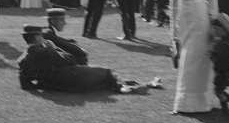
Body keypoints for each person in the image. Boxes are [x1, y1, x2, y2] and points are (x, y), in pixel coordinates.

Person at [169, 0, 219, 115]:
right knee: (185, 56)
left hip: (201, 17)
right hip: (184, 16)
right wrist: (173, 30)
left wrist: (214, 22)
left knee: (197, 57)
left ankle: (199, 100)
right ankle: (185, 100)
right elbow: (173, 1)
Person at [18, 26, 158, 93]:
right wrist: (54, 48)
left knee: (104, 80)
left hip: (59, 85)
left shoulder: (23, 59)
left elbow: (26, 84)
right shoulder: (45, 51)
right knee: (108, 72)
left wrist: (46, 85)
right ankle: (124, 88)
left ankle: (143, 84)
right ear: (37, 37)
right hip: (73, 77)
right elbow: (70, 60)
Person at [209, 13, 229, 115]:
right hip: (225, 73)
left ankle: (226, 112)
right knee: (220, 90)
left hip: (223, 73)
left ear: (224, 31)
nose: (214, 31)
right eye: (213, 29)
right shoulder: (226, 42)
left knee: (218, 92)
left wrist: (212, 55)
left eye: (217, 29)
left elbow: (221, 58)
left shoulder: (223, 45)